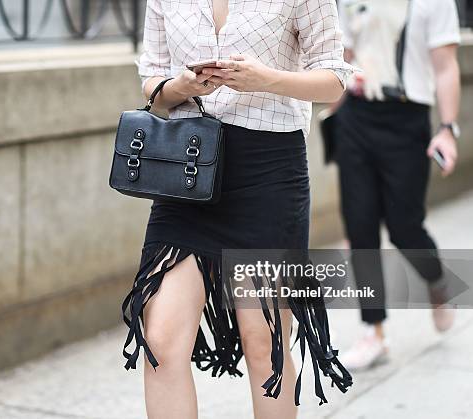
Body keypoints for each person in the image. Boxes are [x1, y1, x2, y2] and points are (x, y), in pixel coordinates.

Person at [119, 1, 354, 417]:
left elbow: (334, 79)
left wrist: (267, 79)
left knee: (264, 344)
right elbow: (152, 82)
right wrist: (184, 86)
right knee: (159, 339)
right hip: (189, 173)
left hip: (268, 176)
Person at [334, 0, 462, 371]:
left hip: (407, 118)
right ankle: (373, 331)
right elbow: (345, 54)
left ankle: (436, 280)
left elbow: (445, 66)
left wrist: (447, 130)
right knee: (360, 227)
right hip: (356, 117)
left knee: (405, 228)